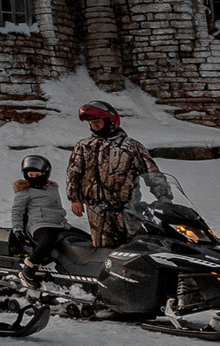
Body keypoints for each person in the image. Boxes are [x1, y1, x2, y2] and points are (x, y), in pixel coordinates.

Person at [66, 103, 162, 248]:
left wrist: (163, 196)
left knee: (135, 247)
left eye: (97, 122)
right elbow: (73, 173)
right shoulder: (84, 146)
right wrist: (75, 199)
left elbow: (151, 172)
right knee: (103, 250)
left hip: (127, 208)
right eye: (91, 123)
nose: (94, 126)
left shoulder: (131, 146)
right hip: (97, 210)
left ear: (110, 121)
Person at [9, 153, 72, 266]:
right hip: (39, 225)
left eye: (37, 174)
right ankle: (29, 268)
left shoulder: (52, 188)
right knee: (48, 241)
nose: (34, 177)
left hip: (60, 224)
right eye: (30, 175)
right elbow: (17, 211)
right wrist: (17, 230)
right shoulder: (25, 191)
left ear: (44, 174)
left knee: (84, 238)